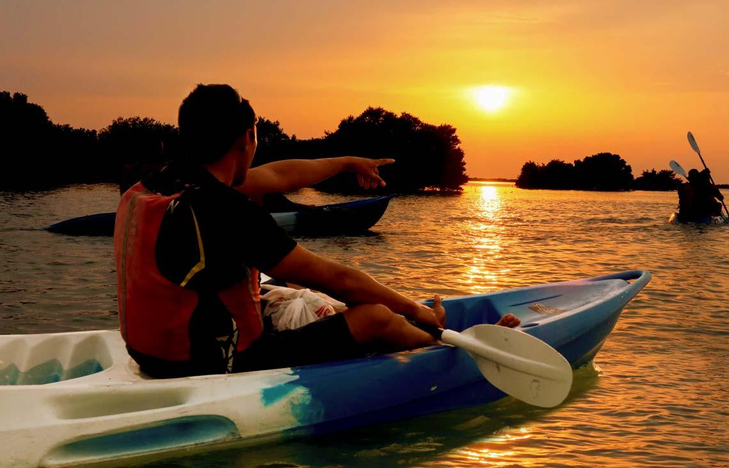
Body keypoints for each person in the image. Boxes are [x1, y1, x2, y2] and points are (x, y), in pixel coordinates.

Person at [115, 84, 520, 378]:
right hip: (213, 365)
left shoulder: (158, 184)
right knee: (376, 315)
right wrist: (416, 309)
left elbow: (279, 174)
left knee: (274, 289)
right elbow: (339, 278)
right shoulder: (227, 210)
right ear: (246, 138)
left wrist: (346, 161)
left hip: (148, 355)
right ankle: (450, 349)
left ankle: (422, 334)